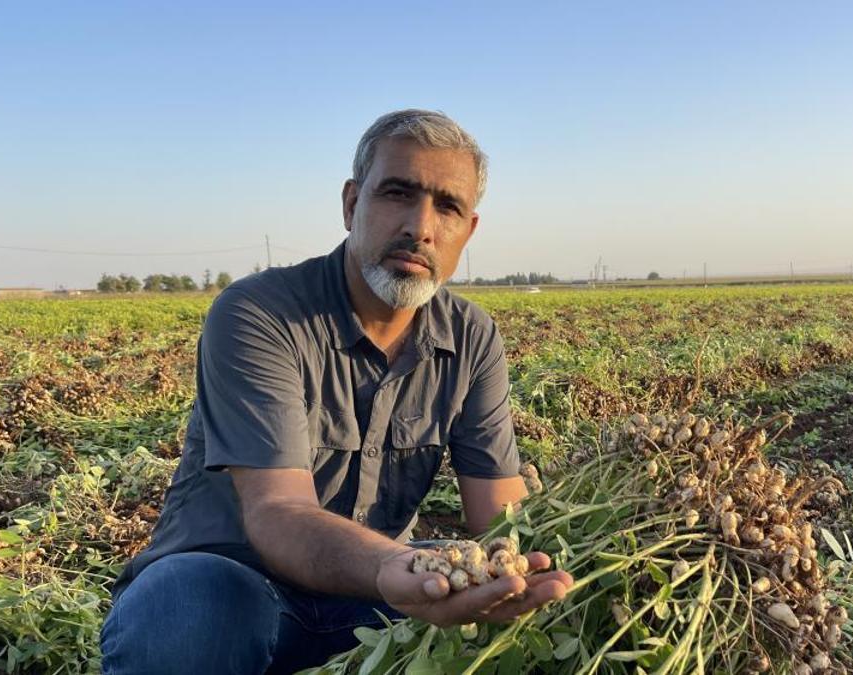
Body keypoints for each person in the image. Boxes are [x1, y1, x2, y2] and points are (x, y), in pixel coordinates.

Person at [100, 109, 574, 674]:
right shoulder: (261, 313)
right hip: (240, 589)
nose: (420, 227)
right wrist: (394, 567)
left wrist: (542, 565)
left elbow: (499, 516)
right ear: (352, 204)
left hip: (377, 600)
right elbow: (278, 510)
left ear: (468, 231)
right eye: (398, 193)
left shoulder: (471, 336)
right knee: (185, 604)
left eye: (447, 207)